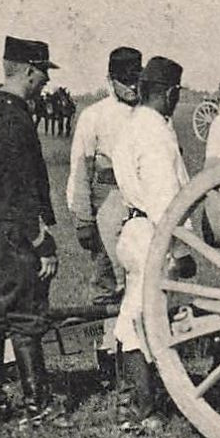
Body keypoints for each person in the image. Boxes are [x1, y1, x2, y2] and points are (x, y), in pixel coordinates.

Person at [0, 36, 61, 424]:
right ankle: (37, 406)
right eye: (43, 73)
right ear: (27, 70)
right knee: (26, 314)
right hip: (14, 229)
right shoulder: (13, 118)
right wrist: (41, 241)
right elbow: (19, 188)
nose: (45, 82)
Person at [111, 56, 192, 433]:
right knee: (140, 318)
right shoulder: (156, 135)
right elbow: (164, 198)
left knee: (138, 314)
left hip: (134, 229)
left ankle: (144, 400)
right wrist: (179, 249)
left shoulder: (133, 126)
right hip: (153, 234)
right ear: (171, 94)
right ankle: (144, 408)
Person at [66, 46, 142, 343]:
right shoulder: (94, 115)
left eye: (137, 78)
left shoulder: (149, 114)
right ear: (111, 80)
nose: (132, 86)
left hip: (141, 200)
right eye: (125, 79)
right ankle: (107, 356)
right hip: (106, 200)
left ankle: (138, 357)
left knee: (140, 280)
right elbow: (81, 168)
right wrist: (84, 218)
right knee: (106, 279)